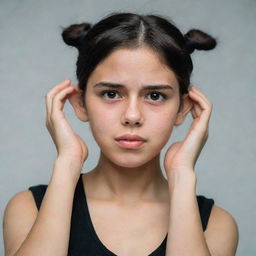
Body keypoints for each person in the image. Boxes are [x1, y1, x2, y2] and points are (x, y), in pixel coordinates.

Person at [3, 12, 239, 256]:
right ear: (80, 103)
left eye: (155, 96)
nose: (133, 116)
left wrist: (181, 177)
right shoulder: (29, 209)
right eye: (111, 94)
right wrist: (67, 163)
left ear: (182, 108)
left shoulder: (216, 226)